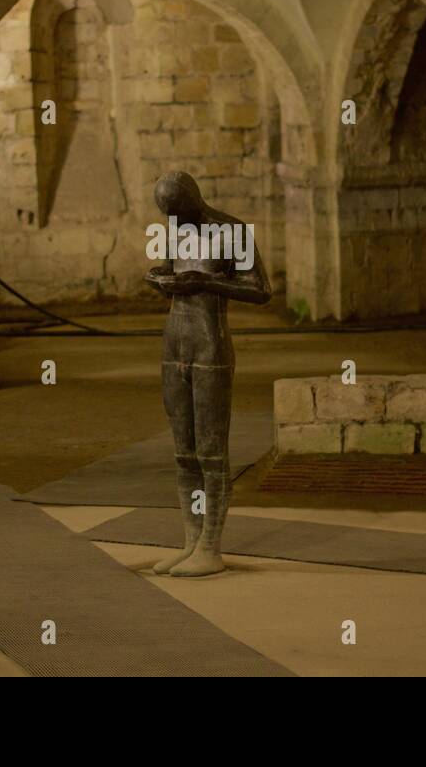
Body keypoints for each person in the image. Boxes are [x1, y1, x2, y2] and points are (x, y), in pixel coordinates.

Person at [145, 171, 271, 576]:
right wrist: (160, 279)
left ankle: (211, 547)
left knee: (211, 453)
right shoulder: (174, 227)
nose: (174, 221)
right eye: (168, 215)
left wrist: (209, 282)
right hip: (175, 342)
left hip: (210, 343)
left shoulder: (230, 231)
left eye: (178, 212)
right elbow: (170, 269)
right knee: (184, 453)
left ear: (193, 202)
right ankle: (190, 540)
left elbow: (261, 289)